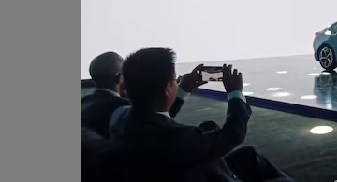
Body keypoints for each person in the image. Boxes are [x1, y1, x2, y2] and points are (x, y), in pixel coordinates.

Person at [110, 47, 292, 182]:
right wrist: (235, 93)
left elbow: (159, 116)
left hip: (175, 168)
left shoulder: (120, 116)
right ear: (167, 89)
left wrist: (184, 89)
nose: (177, 83)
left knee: (250, 155)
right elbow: (233, 134)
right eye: (174, 81)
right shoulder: (178, 139)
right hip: (197, 173)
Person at [81, 51, 200, 138]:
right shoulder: (120, 109)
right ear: (121, 78)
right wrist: (182, 89)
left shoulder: (85, 102)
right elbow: (157, 121)